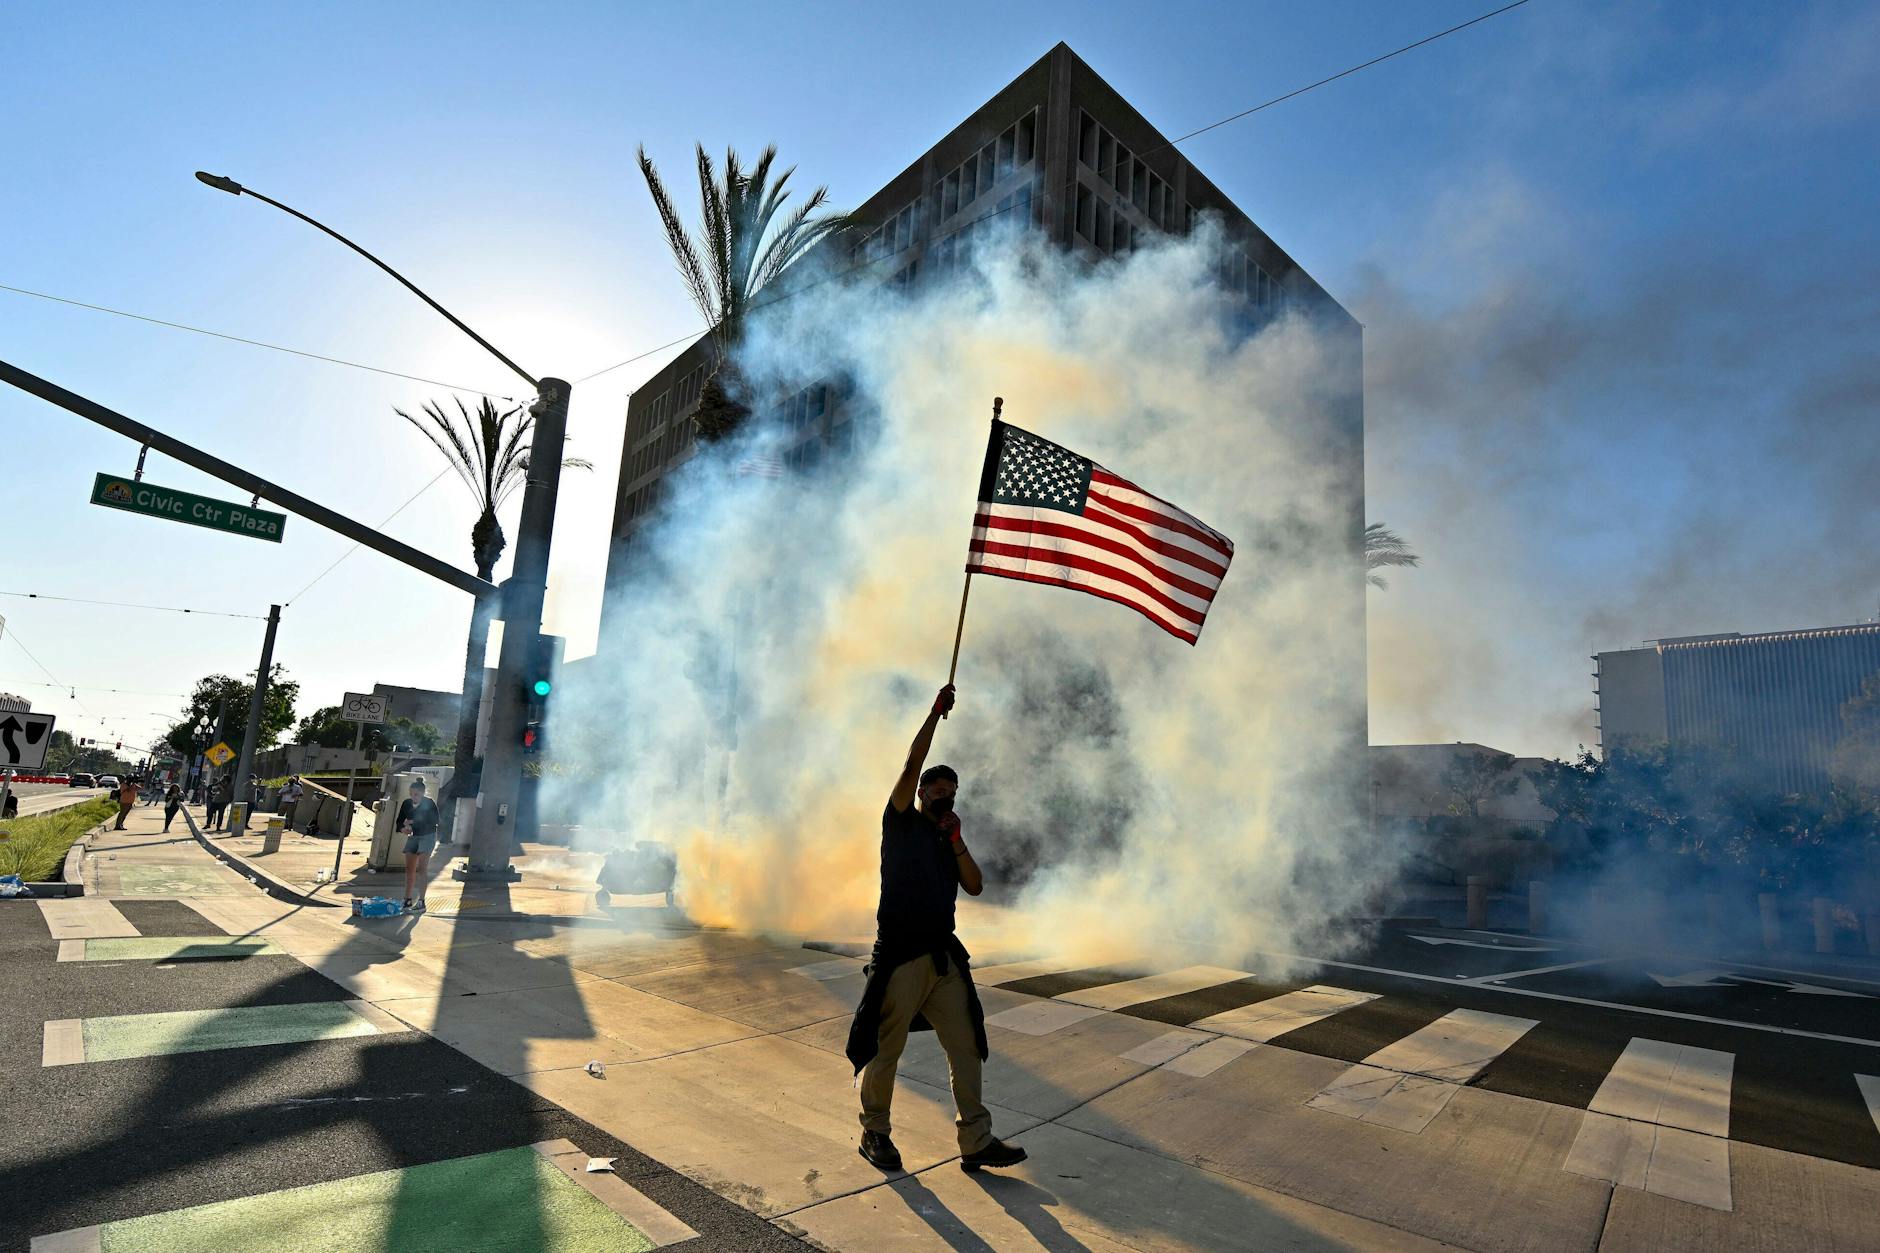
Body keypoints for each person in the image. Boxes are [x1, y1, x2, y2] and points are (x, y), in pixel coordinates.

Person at [846, 683, 1027, 1175]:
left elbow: (975, 886)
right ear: (922, 792)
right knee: (887, 1049)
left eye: (951, 790)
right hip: (901, 955)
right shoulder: (900, 820)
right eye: (937, 788)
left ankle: (976, 1139)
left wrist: (958, 841)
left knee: (966, 1045)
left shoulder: (948, 837)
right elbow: (911, 763)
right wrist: (933, 713)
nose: (944, 795)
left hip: (942, 958)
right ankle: (875, 1132)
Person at [395, 778, 441, 913]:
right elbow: (399, 821)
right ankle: (407, 899)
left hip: (428, 836)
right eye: (411, 794)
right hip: (413, 836)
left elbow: (434, 821)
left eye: (416, 794)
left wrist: (412, 822)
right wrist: (402, 829)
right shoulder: (407, 803)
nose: (413, 797)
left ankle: (421, 901)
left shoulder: (429, 803)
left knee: (422, 868)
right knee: (409, 869)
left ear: (423, 793)